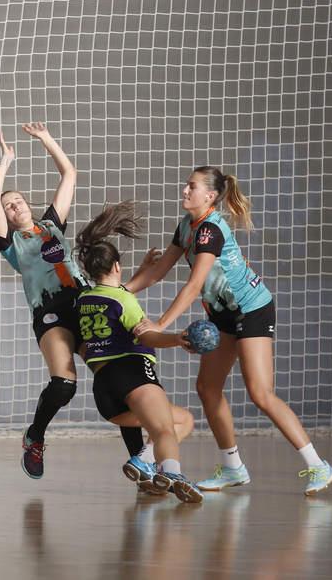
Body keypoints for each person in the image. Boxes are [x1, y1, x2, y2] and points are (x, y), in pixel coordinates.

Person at [0, 123, 189, 480]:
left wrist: (46, 139)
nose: (12, 205)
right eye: (7, 205)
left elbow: (69, 174)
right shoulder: (11, 245)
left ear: (27, 205)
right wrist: (6, 161)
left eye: (16, 200)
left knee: (116, 373)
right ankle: (35, 437)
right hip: (50, 312)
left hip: (84, 303)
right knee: (64, 383)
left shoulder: (51, 226)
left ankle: (139, 465)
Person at [127, 166, 332, 496]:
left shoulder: (210, 230)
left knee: (260, 393)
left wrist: (160, 324)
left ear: (209, 196)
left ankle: (318, 465)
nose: (184, 190)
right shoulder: (186, 227)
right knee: (207, 389)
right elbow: (157, 271)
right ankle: (232, 467)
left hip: (252, 309)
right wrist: (120, 292)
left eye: (191, 186)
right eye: (186, 185)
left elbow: (195, 283)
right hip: (224, 315)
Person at [73, 201, 203, 503]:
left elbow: (114, 299)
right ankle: (172, 473)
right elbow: (149, 336)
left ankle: (142, 460)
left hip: (105, 391)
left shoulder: (84, 301)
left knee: (185, 420)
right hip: (132, 372)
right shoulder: (125, 301)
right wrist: (178, 339)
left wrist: (143, 273)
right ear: (117, 266)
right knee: (165, 430)